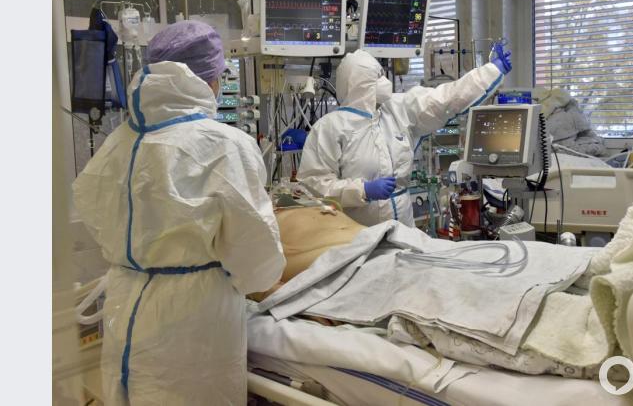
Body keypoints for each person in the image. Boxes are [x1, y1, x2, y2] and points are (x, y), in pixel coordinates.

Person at [72, 20, 286, 405]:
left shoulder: (116, 143)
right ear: (210, 81)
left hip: (126, 308)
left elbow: (90, 207)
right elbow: (258, 261)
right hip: (193, 328)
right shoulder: (225, 145)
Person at [298, 43, 512, 227]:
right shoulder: (329, 128)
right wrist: (362, 190)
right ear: (361, 84)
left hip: (404, 227)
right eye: (378, 76)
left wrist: (490, 71)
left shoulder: (396, 109)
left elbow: (444, 99)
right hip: (359, 233)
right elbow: (315, 185)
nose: (385, 81)